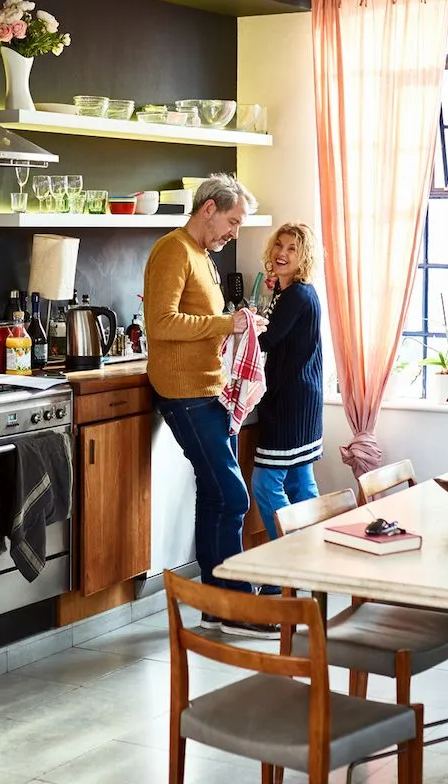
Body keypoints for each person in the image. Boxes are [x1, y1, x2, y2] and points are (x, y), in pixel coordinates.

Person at [143, 173, 274, 638]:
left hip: (209, 389)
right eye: (233, 222)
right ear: (208, 210)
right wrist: (225, 324)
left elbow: (199, 319)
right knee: (232, 494)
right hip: (183, 393)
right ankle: (233, 605)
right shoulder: (172, 251)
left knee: (216, 494)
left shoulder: (202, 256)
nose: (234, 232)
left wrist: (235, 327)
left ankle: (217, 605)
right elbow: (161, 323)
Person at [251, 222, 323, 541]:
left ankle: (288, 557)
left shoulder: (295, 295)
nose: (282, 253)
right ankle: (310, 555)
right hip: (304, 400)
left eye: (292, 249)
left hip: (290, 402)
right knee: (300, 482)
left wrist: (238, 328)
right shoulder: (294, 292)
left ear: (304, 257)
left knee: (265, 485)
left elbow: (266, 340)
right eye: (279, 245)